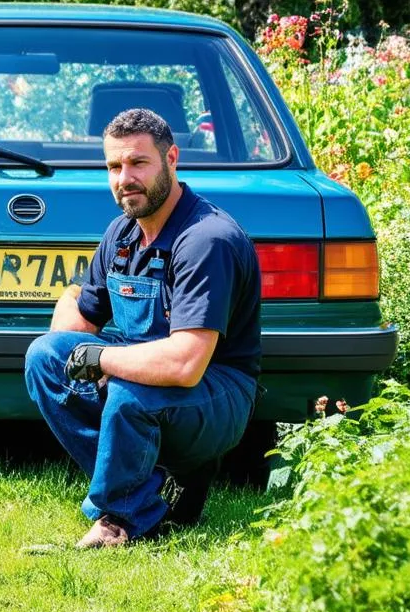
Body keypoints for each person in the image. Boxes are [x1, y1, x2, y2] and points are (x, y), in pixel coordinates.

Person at [24, 108, 262, 549]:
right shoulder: (123, 232)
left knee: (128, 391)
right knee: (45, 358)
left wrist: (103, 360)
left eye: (138, 163)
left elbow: (187, 364)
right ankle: (158, 490)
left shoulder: (205, 239)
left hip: (217, 390)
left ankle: (121, 520)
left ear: (171, 159)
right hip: (144, 370)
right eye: (114, 167)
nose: (124, 179)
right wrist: (71, 347)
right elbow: (82, 313)